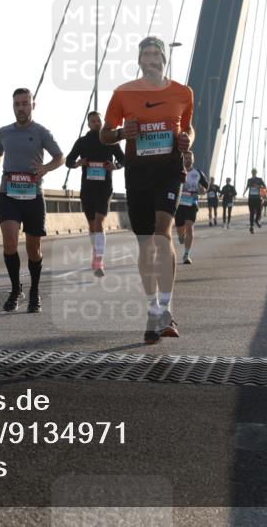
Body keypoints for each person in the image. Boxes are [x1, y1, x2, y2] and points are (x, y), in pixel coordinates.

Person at [99, 36, 194, 345]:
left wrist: (188, 141)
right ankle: (153, 309)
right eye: (146, 55)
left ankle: (166, 309)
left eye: (156, 54)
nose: (151, 59)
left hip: (169, 172)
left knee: (162, 233)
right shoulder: (123, 93)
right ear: (139, 60)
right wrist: (119, 133)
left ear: (164, 60)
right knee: (145, 244)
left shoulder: (183, 93)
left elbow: (188, 129)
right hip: (138, 173)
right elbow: (104, 134)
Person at [0, 88, 64, 314]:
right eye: (17, 104)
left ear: (33, 105)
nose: (21, 108)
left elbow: (60, 157)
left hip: (33, 196)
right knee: (10, 241)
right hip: (8, 193)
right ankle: (15, 290)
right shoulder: (4, 132)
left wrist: (45, 168)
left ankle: (35, 291)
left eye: (24, 103)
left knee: (33, 249)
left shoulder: (41, 132)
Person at [65, 110, 125, 277]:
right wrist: (78, 163)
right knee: (92, 225)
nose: (96, 123)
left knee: (99, 223)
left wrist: (115, 166)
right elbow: (68, 161)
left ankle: (99, 260)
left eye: (98, 121)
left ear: (102, 122)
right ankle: (95, 252)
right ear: (88, 124)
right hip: (87, 188)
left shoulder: (110, 140)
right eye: (93, 121)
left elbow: (123, 159)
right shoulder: (82, 142)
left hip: (104, 188)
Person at [175, 152, 208, 265]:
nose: (188, 160)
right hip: (179, 205)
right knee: (180, 231)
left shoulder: (198, 173)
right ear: (182, 160)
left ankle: (186, 255)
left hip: (192, 203)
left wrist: (202, 190)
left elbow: (206, 187)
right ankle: (181, 235)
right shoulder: (177, 171)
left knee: (189, 226)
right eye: (186, 158)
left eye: (190, 158)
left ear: (193, 160)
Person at [245, 168, 266, 234]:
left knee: (259, 212)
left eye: (254, 172)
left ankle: (256, 220)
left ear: (256, 172)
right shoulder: (249, 180)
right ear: (251, 173)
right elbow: (247, 187)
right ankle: (251, 227)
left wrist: (263, 195)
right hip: (251, 198)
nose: (253, 173)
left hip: (258, 198)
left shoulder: (259, 179)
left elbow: (264, 187)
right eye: (253, 172)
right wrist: (244, 192)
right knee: (251, 213)